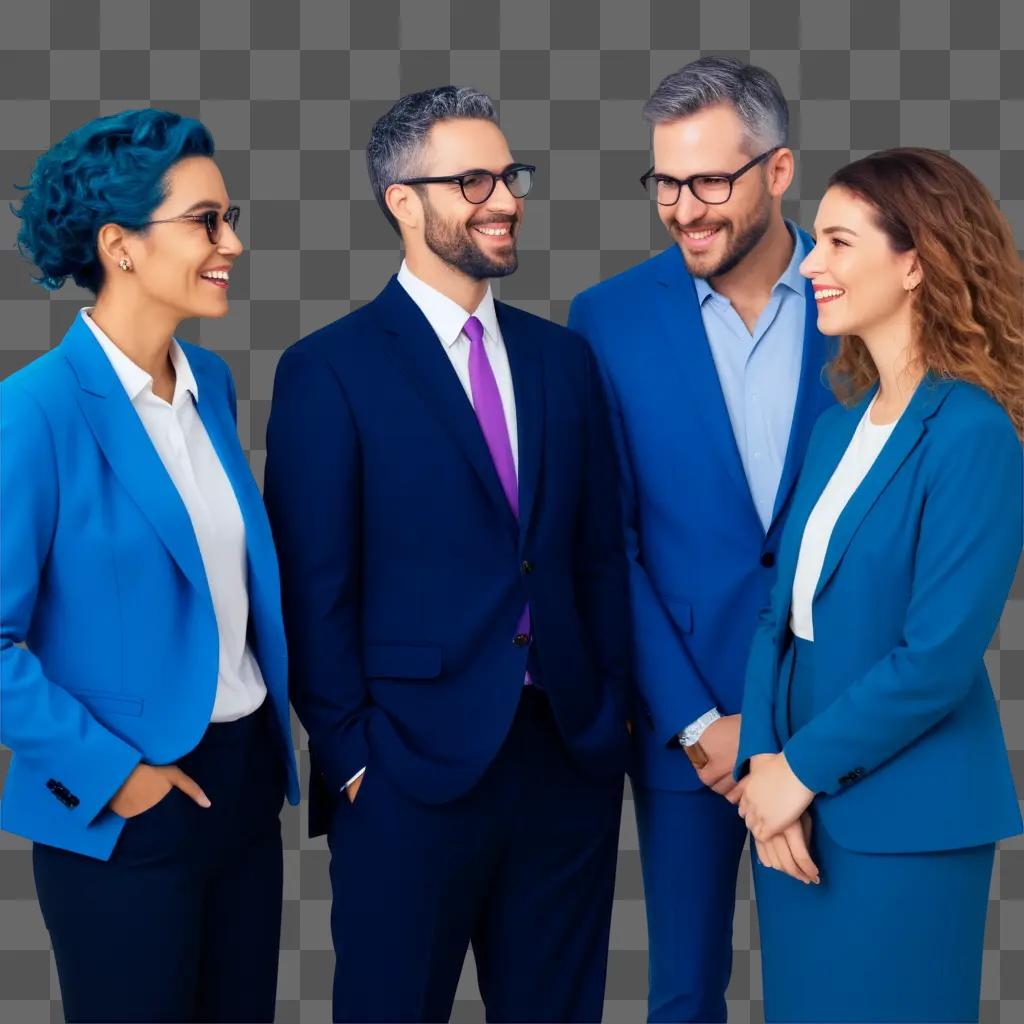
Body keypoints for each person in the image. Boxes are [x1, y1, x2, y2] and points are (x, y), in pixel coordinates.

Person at [262, 85, 631, 1023]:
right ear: (401, 201)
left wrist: (609, 720)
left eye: (509, 176)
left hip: (565, 762)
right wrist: (349, 758)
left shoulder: (564, 361)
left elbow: (594, 556)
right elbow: (313, 587)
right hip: (405, 775)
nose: (503, 199)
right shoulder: (327, 369)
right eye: (472, 181)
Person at [1, 108, 299, 1024]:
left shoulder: (210, 388)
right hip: (125, 808)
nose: (233, 243)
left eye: (229, 216)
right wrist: (118, 776)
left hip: (244, 787)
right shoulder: (33, 413)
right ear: (119, 245)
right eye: (206, 220)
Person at [729, 147, 1024, 1023]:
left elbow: (936, 657)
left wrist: (798, 774)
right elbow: (775, 615)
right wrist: (762, 773)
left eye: (837, 241)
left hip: (904, 822)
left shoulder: (974, 434)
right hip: (792, 820)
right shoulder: (838, 425)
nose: (810, 263)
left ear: (916, 262)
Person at [568, 57, 835, 1021]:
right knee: (683, 987)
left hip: (834, 715)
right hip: (692, 727)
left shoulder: (862, 299)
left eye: (710, 181)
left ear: (777, 171)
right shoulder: (606, 320)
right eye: (666, 184)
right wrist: (694, 719)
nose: (685, 209)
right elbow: (608, 541)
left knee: (837, 983)